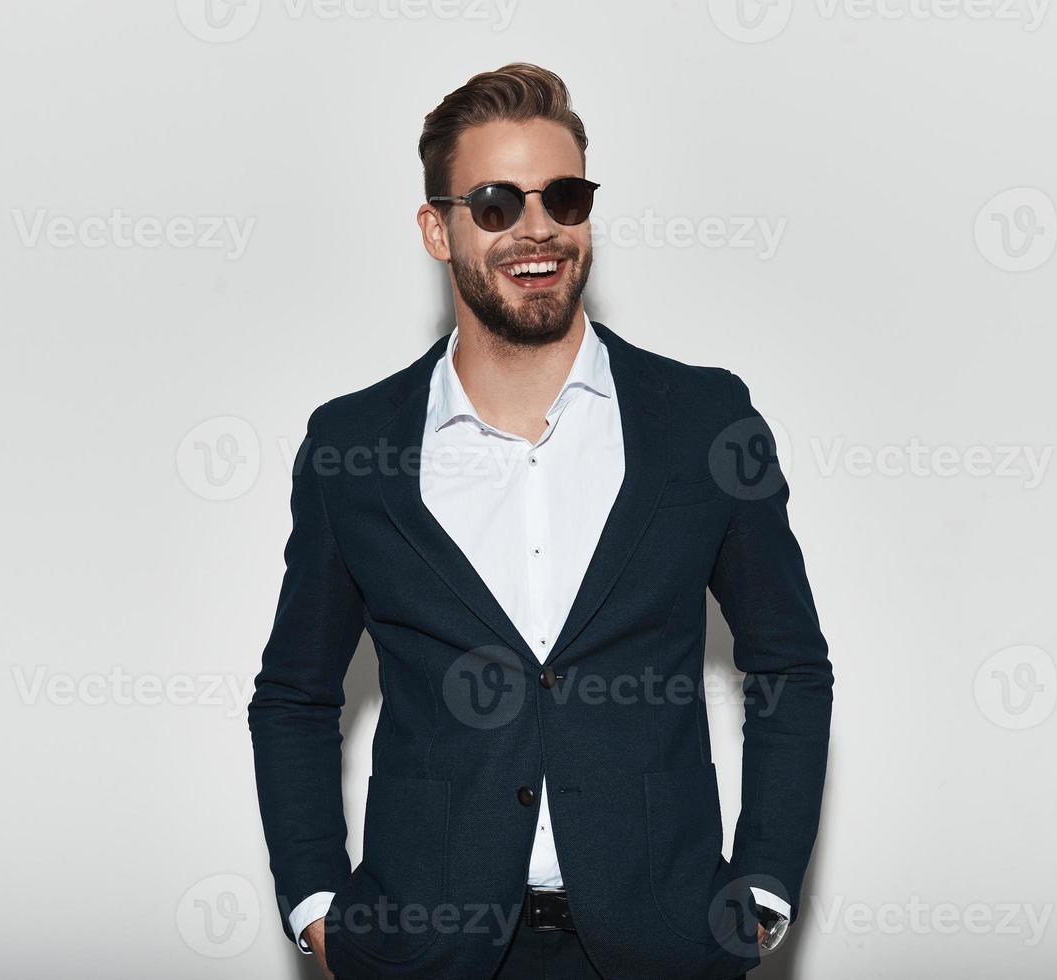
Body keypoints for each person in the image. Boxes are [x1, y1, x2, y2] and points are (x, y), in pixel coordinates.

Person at [248, 62, 832, 979]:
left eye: (563, 196)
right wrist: (319, 906)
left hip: (661, 949)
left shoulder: (703, 423)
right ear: (436, 229)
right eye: (494, 203)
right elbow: (293, 693)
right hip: (424, 953)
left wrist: (759, 892)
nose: (536, 229)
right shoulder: (351, 446)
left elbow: (789, 665)